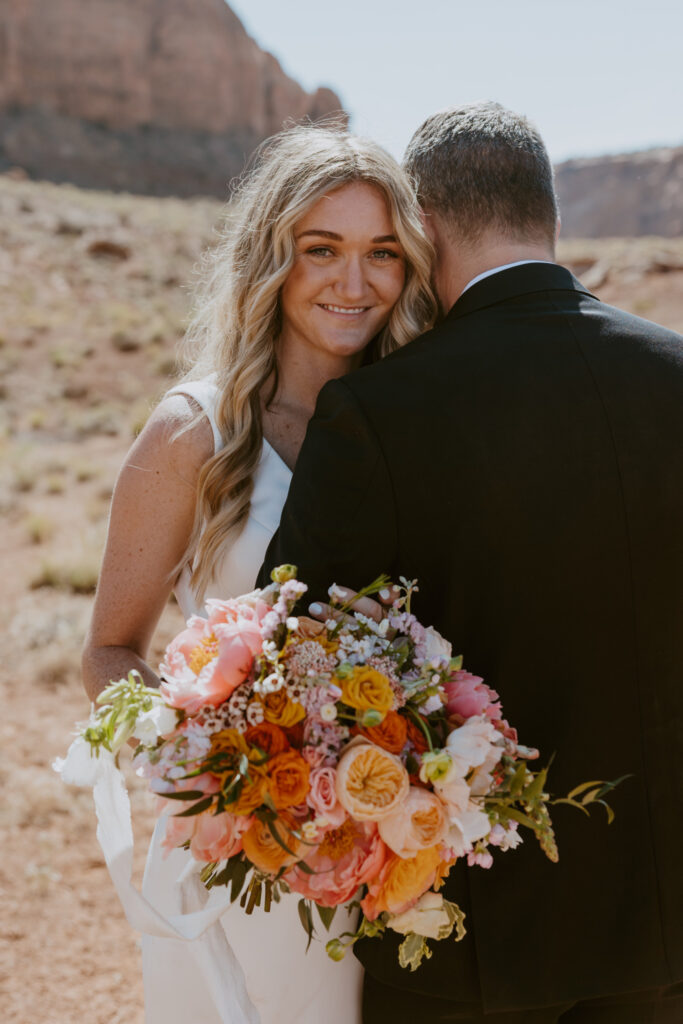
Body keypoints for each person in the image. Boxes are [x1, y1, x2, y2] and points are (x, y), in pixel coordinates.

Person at [259, 102, 683, 1023]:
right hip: (663, 923)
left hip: (463, 932)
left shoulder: (377, 413)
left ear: (424, 227)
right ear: (549, 217)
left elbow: (291, 654)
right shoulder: (674, 375)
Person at [81, 122, 436, 1024]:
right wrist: (216, 774)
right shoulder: (194, 432)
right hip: (236, 855)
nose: (353, 284)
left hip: (390, 856)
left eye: (382, 254)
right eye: (321, 249)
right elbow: (112, 650)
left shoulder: (421, 422)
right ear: (271, 257)